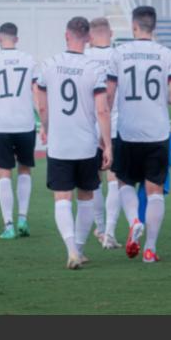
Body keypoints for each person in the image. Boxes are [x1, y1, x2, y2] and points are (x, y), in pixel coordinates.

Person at [107, 5, 171, 263]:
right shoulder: (165, 54)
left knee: (124, 181)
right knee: (155, 191)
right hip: (157, 132)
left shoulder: (119, 53)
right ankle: (150, 249)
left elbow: (108, 95)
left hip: (128, 130)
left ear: (134, 26)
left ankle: (134, 220)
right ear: (154, 27)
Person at [35, 17, 112, 269]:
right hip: (86, 143)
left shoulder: (49, 65)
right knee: (87, 197)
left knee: (62, 198)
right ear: (88, 38)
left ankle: (71, 251)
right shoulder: (94, 68)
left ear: (66, 35)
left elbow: (43, 105)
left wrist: (46, 128)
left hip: (60, 142)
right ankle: (79, 248)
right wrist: (107, 145)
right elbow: (102, 111)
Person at [0, 22, 38, 240]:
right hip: (25, 124)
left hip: (2, 125)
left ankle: (9, 225)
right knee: (24, 169)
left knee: (4, 172)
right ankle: (23, 218)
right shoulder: (29, 60)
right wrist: (44, 121)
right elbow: (38, 95)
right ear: (17, 39)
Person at [83, 17, 125, 249]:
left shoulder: (84, 58)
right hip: (116, 124)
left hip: (88, 126)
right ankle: (109, 232)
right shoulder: (118, 55)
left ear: (90, 35)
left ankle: (99, 229)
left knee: (94, 181)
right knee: (114, 180)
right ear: (110, 33)